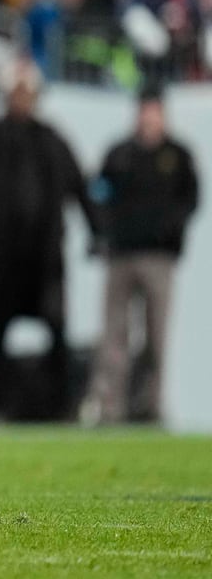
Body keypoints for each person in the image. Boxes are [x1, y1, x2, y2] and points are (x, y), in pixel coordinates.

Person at [0, 60, 98, 421]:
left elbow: (79, 185)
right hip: (5, 257)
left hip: (44, 255)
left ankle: (62, 406)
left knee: (56, 330)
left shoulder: (51, 139)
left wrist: (98, 231)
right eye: (16, 93)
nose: (22, 100)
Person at [81, 88, 200, 425]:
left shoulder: (177, 156)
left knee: (156, 336)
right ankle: (109, 406)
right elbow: (99, 193)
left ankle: (149, 406)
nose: (148, 118)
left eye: (154, 112)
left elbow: (190, 199)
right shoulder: (120, 154)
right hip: (121, 255)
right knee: (114, 334)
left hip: (159, 258)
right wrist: (105, 233)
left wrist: (168, 230)